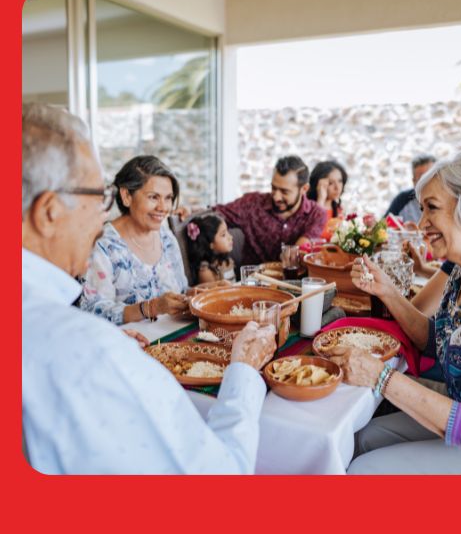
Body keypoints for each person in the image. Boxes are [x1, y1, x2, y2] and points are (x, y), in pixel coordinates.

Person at [21, 103, 276, 474]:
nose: (101, 217)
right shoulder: (90, 350)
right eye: (99, 197)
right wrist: (245, 371)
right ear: (48, 212)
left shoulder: (166, 242)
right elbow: (221, 474)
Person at [327, 151, 461, 474]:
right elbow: (433, 339)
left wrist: (380, 376)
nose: (422, 223)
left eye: (432, 209)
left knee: (363, 470)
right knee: (362, 438)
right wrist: (387, 291)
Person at [79, 155, 190, 325]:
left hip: (170, 343)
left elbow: (180, 292)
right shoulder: (102, 245)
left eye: (168, 198)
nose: (163, 207)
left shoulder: (166, 237)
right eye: (153, 197)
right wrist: (151, 307)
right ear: (126, 196)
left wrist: (203, 292)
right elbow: (94, 313)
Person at [213, 156, 326, 265]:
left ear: (304, 189)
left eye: (284, 192)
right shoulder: (252, 204)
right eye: (274, 188)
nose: (276, 197)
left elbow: (299, 250)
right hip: (252, 282)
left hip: (295, 281)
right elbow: (214, 215)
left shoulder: (316, 214)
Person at [384, 154, 435, 225]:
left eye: (430, 177)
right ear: (414, 182)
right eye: (421, 179)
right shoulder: (402, 200)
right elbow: (383, 228)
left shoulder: (449, 201)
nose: (426, 183)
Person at [185, 212, 236, 283]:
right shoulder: (205, 271)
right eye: (223, 235)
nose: (230, 237)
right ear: (210, 244)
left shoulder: (225, 260)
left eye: (227, 232)